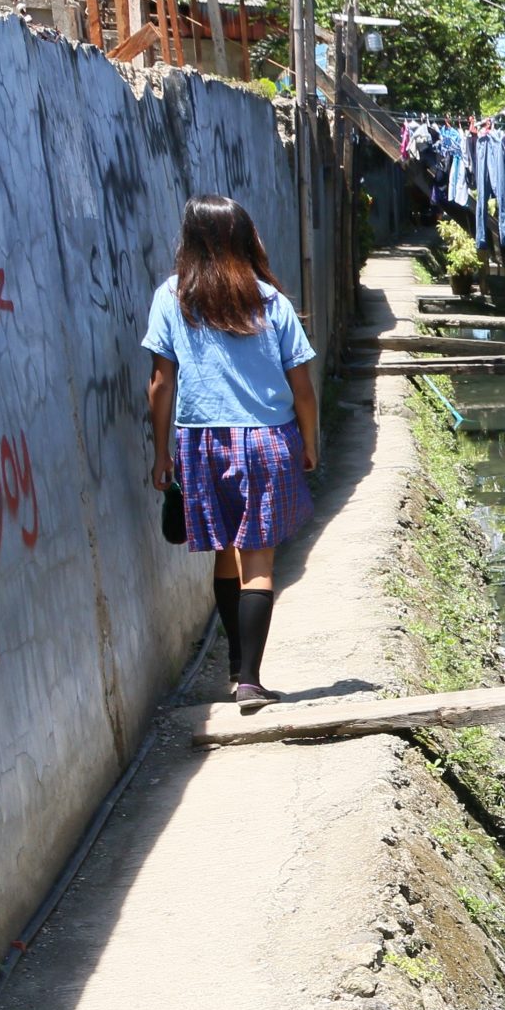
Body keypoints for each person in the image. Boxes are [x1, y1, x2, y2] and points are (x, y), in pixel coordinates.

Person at [143, 194, 319, 711]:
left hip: (200, 441)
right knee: (258, 561)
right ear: (245, 239)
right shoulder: (270, 301)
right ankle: (250, 681)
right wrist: (309, 441)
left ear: (190, 241)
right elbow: (302, 387)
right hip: (267, 439)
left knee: (225, 552)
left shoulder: (171, 298)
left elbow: (159, 384)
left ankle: (234, 670)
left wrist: (161, 454)